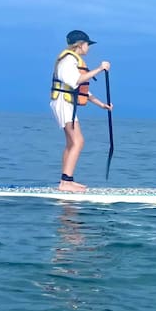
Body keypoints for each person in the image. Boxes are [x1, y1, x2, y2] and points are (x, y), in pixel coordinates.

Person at [50, 30, 112, 192]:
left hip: (67, 104)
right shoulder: (68, 60)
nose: (88, 48)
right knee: (78, 141)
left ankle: (66, 180)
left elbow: (83, 91)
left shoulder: (73, 61)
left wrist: (101, 105)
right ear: (80, 45)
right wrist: (99, 68)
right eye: (87, 44)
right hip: (63, 104)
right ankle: (66, 182)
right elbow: (76, 81)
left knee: (72, 142)